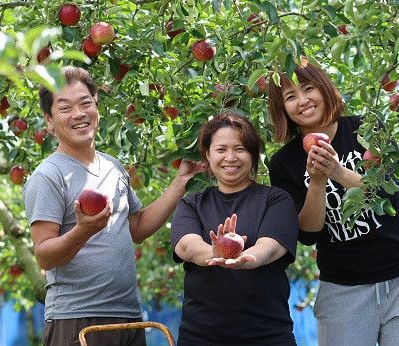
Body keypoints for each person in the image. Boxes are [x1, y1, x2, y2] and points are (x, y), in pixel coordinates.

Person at [23, 66, 206, 346]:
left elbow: (138, 228)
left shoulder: (112, 166)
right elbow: (44, 256)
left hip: (129, 315)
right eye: (65, 108)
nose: (79, 114)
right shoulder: (49, 175)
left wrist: (180, 183)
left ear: (97, 107)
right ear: (49, 120)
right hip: (79, 319)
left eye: (86, 103)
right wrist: (83, 230)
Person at [267, 56, 399, 346]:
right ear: (282, 108)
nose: (303, 101)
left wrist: (338, 172)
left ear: (323, 87)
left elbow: (392, 194)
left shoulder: (366, 129)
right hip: (343, 289)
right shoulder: (284, 163)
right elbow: (308, 235)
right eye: (290, 96)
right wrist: (317, 183)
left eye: (308, 88)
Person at [171, 111, 299, 346]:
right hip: (200, 339)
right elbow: (188, 248)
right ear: (207, 155)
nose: (230, 157)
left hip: (267, 338)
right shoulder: (191, 204)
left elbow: (269, 249)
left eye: (240, 149)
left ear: (253, 154)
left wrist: (242, 258)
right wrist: (216, 252)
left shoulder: (276, 200)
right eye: (221, 150)